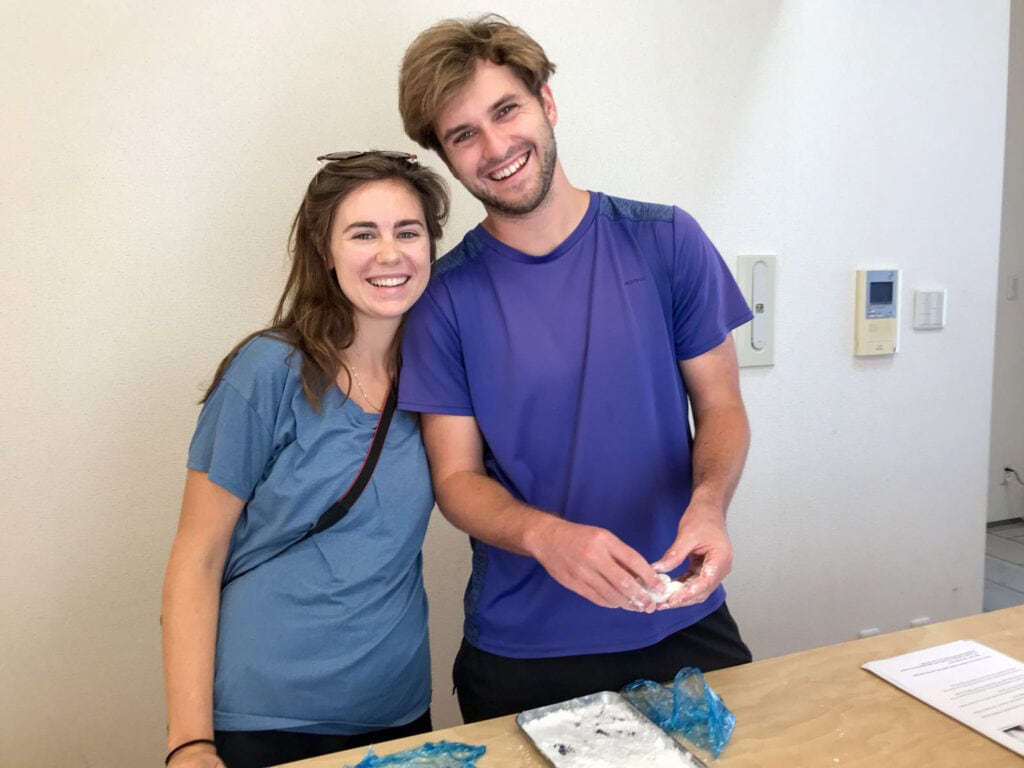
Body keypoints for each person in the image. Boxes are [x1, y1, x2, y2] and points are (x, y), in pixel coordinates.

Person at [397, 15, 754, 722]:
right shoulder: (443, 299)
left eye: (507, 110)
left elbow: (721, 407)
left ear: (547, 103)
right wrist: (546, 536)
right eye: (464, 134)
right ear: (445, 155)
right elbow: (457, 479)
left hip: (680, 615)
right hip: (525, 653)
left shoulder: (667, 241)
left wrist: (709, 505)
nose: (496, 147)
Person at [160, 151, 449, 768]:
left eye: (408, 231)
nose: (389, 253)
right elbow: (197, 556)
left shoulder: (439, 378)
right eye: (363, 233)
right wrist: (189, 741)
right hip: (266, 719)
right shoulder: (268, 371)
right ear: (325, 250)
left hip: (397, 712)